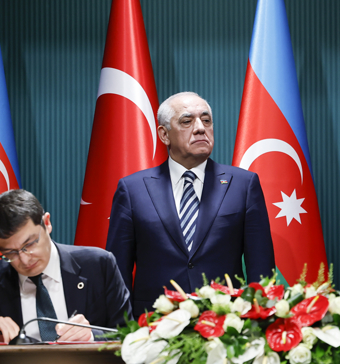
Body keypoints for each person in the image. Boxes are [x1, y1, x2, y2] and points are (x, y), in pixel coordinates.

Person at [107, 92, 275, 314]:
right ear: (164, 134)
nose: (200, 128)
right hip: (153, 325)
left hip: (226, 324)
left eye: (206, 120)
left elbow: (261, 269)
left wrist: (260, 323)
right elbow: (118, 271)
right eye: (187, 121)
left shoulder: (243, 185)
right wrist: (123, 329)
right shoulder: (132, 189)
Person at [0, 190, 131, 346]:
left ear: (47, 223)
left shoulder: (98, 265)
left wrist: (91, 336)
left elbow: (132, 336)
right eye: (10, 253)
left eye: (30, 244)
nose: (25, 260)